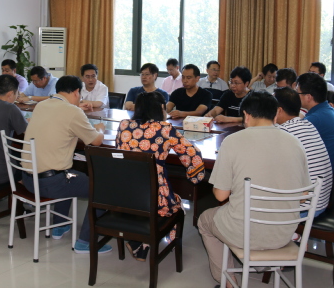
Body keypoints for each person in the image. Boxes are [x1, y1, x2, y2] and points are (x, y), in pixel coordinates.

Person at [197, 91, 310, 286]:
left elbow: (221, 195)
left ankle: (228, 283)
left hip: (245, 233)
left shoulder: (232, 141)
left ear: (246, 115)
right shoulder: (295, 143)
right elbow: (303, 197)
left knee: (204, 220)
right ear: (276, 114)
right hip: (283, 233)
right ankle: (263, 263)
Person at [21, 75, 111, 254]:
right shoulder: (72, 112)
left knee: (69, 171)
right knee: (103, 189)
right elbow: (96, 141)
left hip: (29, 180)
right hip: (51, 183)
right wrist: (100, 128)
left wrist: (76, 108)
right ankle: (85, 242)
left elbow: (60, 117)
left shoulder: (42, 105)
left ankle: (59, 226)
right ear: (77, 92)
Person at [117, 90, 206, 261]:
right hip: (154, 197)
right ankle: (159, 241)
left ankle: (141, 243)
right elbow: (192, 153)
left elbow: (120, 152)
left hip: (124, 194)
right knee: (177, 205)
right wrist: (195, 177)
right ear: (161, 108)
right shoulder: (165, 129)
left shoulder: (123, 125)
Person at [274, 87, 332, 217]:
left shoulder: (284, 132)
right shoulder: (308, 125)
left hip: (304, 209)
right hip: (320, 202)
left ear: (279, 110)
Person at [296, 73, 334, 169]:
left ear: (308, 97)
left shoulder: (315, 119)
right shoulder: (329, 110)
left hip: (322, 172)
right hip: (331, 168)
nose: (296, 96)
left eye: (297, 93)